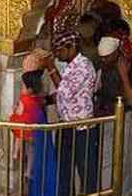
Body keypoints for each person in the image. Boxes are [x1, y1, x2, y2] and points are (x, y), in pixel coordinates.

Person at [44, 30, 99, 196]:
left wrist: (51, 68)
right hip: (66, 125)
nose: (57, 55)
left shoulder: (84, 66)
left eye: (60, 51)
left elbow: (65, 92)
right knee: (64, 171)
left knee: (87, 173)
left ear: (71, 47)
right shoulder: (71, 66)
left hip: (83, 129)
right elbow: (64, 95)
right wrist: (45, 100)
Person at [94, 36, 132, 196]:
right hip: (107, 118)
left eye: (107, 57)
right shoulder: (102, 67)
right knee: (106, 160)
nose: (104, 60)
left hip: (125, 118)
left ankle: (125, 192)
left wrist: (123, 75)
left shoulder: (130, 68)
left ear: (116, 54)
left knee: (124, 159)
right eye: (102, 58)